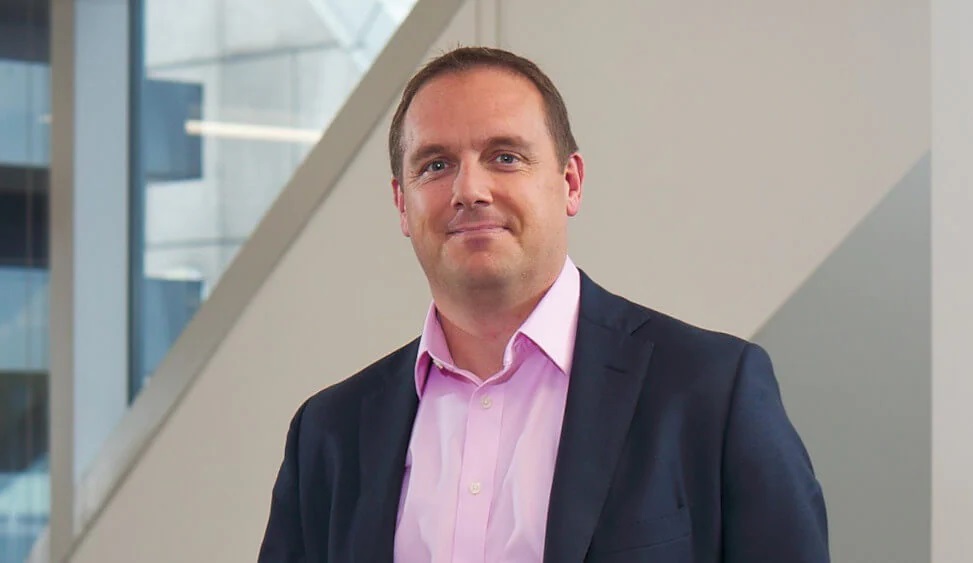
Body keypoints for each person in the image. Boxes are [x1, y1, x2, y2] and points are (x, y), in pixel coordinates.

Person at [258, 46, 829, 563]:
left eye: (505, 157)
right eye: (435, 165)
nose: (469, 191)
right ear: (402, 205)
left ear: (571, 182)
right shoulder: (328, 435)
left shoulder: (711, 392)